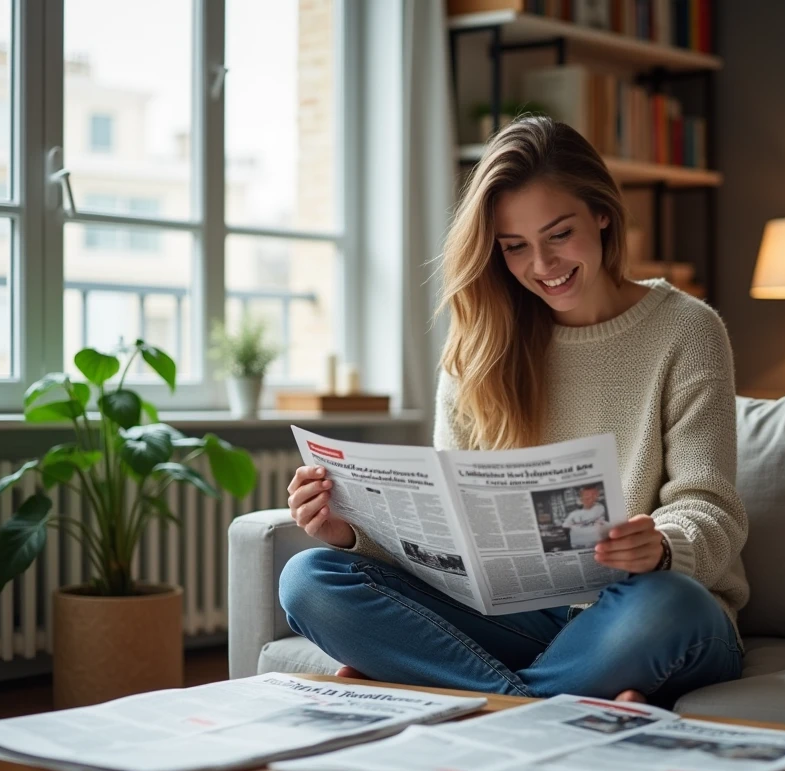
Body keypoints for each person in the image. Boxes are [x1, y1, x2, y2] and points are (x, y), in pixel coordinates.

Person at [279, 116, 748, 708]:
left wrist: (660, 548)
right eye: (515, 247)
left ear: (602, 213)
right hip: (516, 618)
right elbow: (445, 534)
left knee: (671, 603)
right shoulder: (479, 348)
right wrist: (348, 531)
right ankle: (542, 703)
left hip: (639, 607)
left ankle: (435, 686)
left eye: (559, 234)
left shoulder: (685, 329)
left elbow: (711, 507)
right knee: (310, 579)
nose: (543, 265)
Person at [560, 485, 608, 551]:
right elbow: (565, 526)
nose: (588, 498)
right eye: (586, 496)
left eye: (592, 496)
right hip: (579, 545)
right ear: (581, 498)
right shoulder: (573, 514)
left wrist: (579, 524)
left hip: (597, 544)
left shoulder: (599, 507)